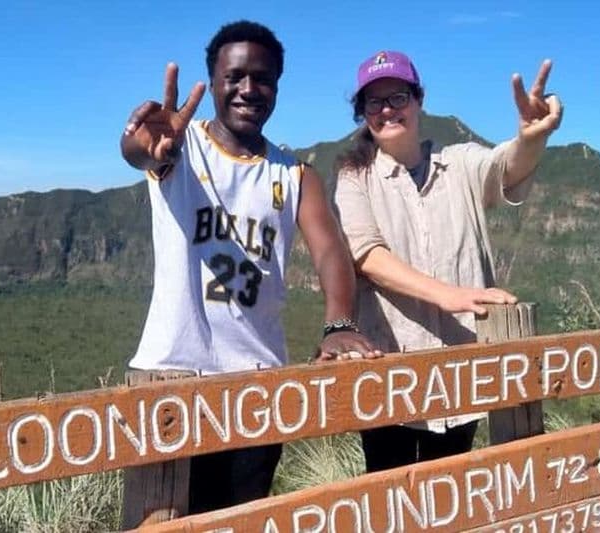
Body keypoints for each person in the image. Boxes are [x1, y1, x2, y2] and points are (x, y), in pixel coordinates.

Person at [119, 21, 379, 517]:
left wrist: (340, 324)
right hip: (169, 379)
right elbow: (141, 154)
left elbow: (330, 249)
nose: (248, 89)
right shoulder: (180, 147)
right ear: (213, 81)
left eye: (262, 79)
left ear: (276, 87)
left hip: (257, 390)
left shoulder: (294, 173)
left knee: (241, 518)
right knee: (157, 520)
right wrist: (143, 146)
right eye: (234, 76)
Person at [334, 50, 563, 472]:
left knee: (453, 493)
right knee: (391, 501)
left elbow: (506, 168)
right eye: (374, 102)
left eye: (398, 97)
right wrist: (451, 296)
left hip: (463, 377)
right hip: (390, 378)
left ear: (418, 100)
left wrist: (532, 138)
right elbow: (368, 256)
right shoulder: (355, 178)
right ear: (362, 113)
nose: (387, 109)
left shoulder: (459, 164)